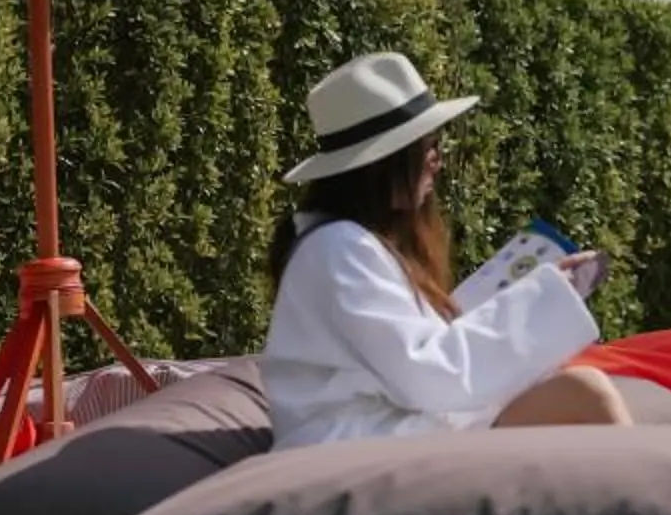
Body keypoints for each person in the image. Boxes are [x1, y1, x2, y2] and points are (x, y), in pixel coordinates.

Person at [262, 52, 629, 446]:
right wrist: (545, 297)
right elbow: (429, 375)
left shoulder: (346, 245)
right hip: (358, 446)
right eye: (427, 146)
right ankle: (659, 503)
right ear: (384, 162)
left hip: (378, 433)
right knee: (586, 393)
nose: (437, 160)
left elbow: (419, 363)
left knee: (578, 391)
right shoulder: (339, 248)